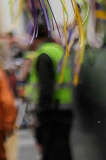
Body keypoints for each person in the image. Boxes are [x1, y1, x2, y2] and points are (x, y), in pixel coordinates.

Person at [27, 28, 73, 160]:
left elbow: (46, 86)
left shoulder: (43, 55)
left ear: (35, 38)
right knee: (64, 151)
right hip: (65, 108)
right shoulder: (59, 50)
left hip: (52, 111)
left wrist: (42, 113)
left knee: (52, 152)